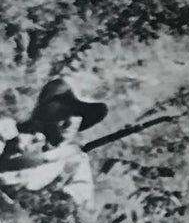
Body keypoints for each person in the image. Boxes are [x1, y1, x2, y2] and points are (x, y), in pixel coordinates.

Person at [0, 77, 108, 208]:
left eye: (78, 114)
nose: (71, 121)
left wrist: (55, 201)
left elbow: (76, 208)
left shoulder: (75, 162)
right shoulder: (8, 130)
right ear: (47, 110)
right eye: (64, 111)